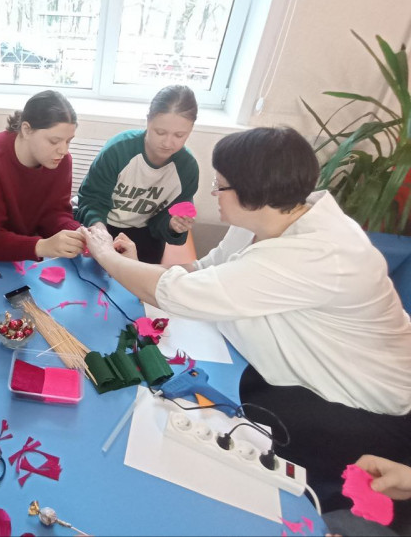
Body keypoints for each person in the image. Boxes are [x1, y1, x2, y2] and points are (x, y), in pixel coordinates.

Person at [80, 126, 411, 512]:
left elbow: (177, 292)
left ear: (254, 194)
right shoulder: (268, 218)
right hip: (301, 375)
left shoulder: (319, 255)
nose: (213, 194)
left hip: (364, 407)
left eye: (220, 185)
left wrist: (108, 257)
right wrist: (138, 267)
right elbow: (204, 271)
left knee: (255, 468)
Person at [0, 89, 85, 261]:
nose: (63, 150)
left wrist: (76, 232)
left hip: (21, 246)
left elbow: (54, 212)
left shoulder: (62, 161)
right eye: (54, 141)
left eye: (68, 141)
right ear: (26, 130)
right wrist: (41, 246)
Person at [75, 85, 199, 263]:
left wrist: (172, 225)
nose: (167, 143)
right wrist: (100, 232)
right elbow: (91, 199)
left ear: (191, 129)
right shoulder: (118, 150)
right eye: (160, 132)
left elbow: (166, 219)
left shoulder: (187, 168)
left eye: (179, 135)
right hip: (103, 223)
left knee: (139, 277)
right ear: (148, 121)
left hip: (146, 233)